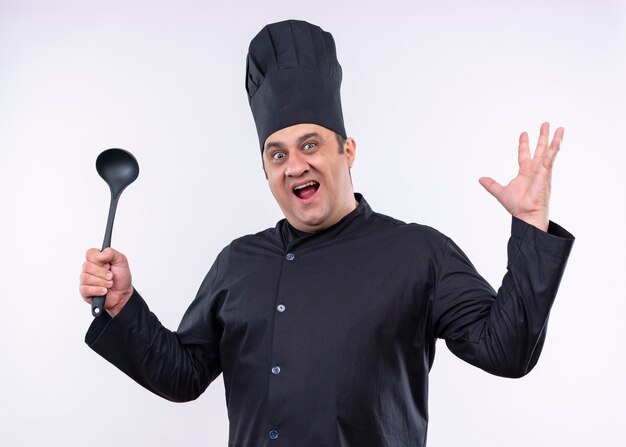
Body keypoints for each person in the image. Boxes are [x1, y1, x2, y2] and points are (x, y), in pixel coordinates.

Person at [79, 20, 574, 447]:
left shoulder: (419, 252)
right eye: (277, 154)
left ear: (348, 151)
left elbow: (506, 350)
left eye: (310, 145)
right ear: (266, 170)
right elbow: (183, 375)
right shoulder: (239, 261)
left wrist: (530, 224)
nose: (295, 166)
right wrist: (123, 306)